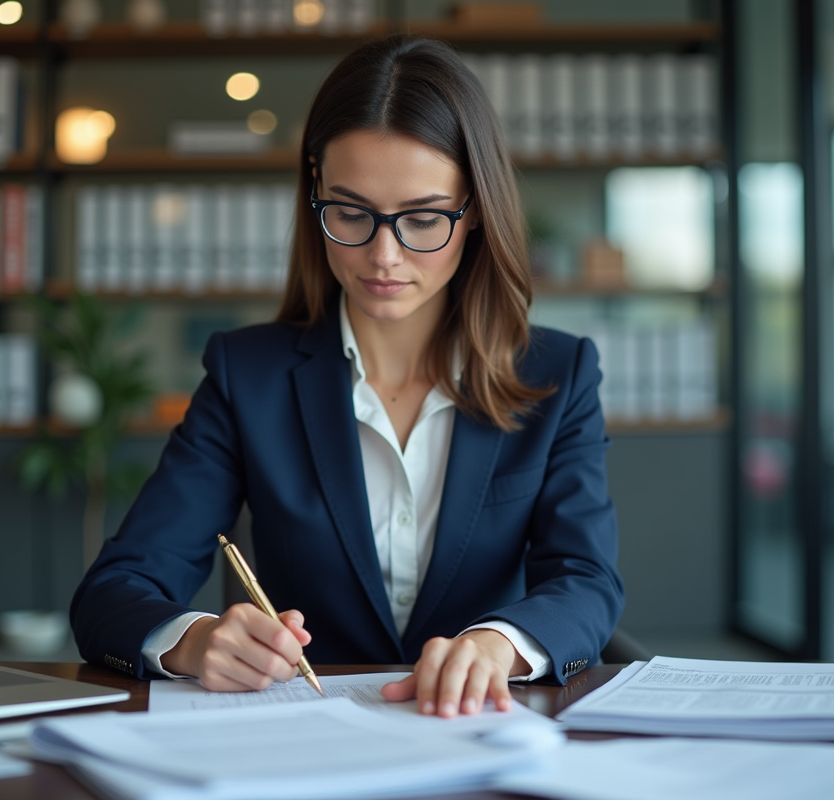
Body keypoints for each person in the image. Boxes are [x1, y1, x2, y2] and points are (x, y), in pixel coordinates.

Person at [71, 34, 624, 718]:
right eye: (352, 213)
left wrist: (498, 646)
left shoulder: (558, 373)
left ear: (475, 208)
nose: (383, 256)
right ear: (315, 194)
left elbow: (587, 581)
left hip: (481, 733)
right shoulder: (249, 375)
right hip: (304, 738)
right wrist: (194, 640)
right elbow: (115, 591)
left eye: (423, 218)